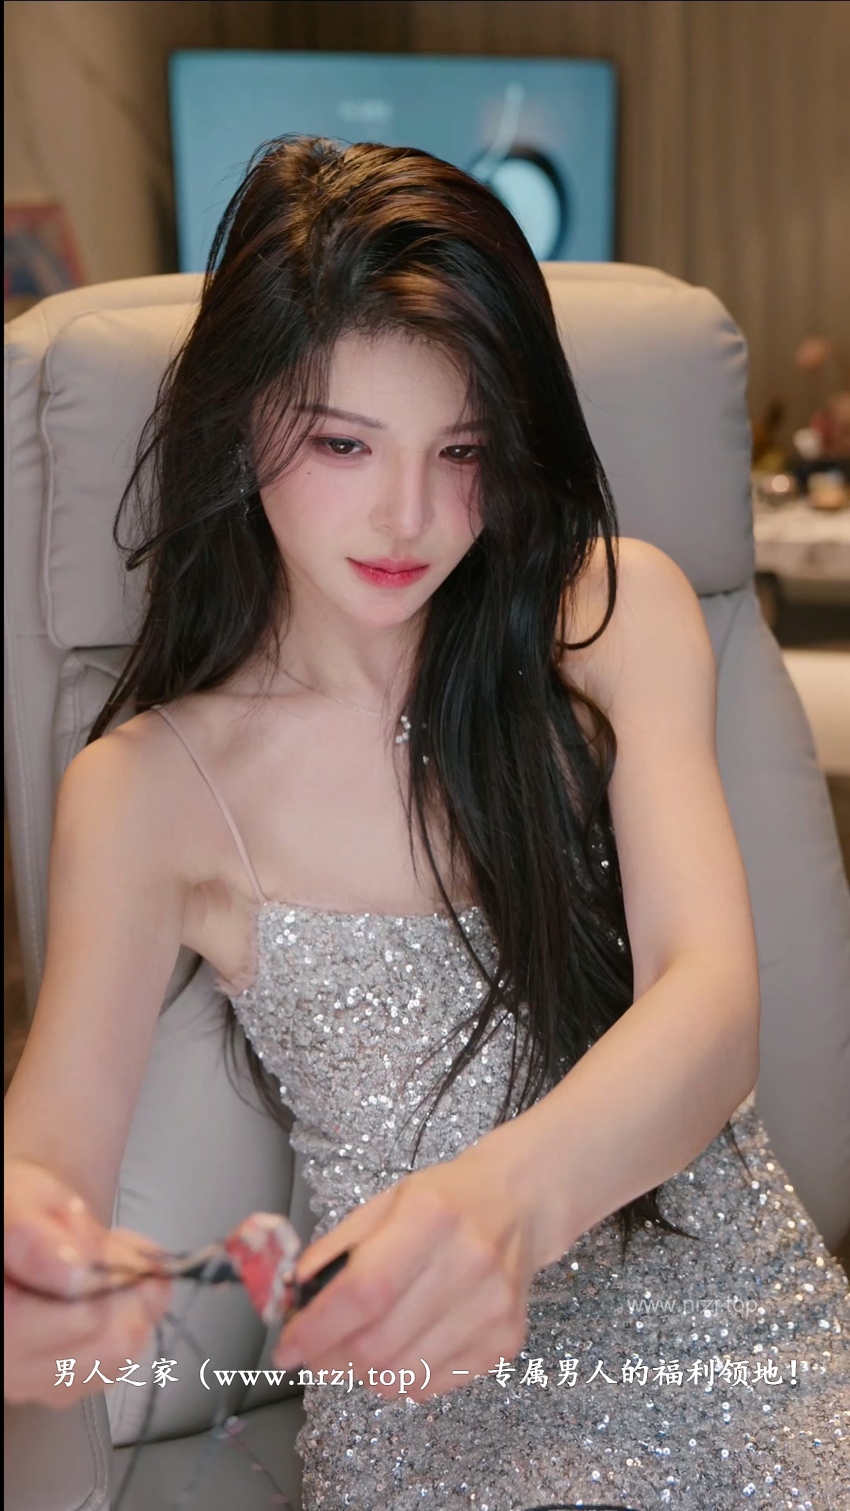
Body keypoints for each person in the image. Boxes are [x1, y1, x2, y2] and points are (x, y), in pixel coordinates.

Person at [4, 134, 848, 1510]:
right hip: (438, 1417)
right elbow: (48, 1156)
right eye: (342, 443)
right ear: (241, 422)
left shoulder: (609, 616)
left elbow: (709, 1006)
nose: (406, 517)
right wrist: (31, 1256)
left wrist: (500, 1205)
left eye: (461, 451)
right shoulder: (152, 788)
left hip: (750, 1350)